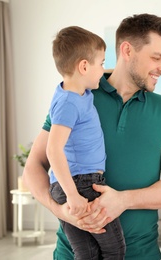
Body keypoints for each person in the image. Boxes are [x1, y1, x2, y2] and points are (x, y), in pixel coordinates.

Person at [22, 13, 161, 260]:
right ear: (127, 50)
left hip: (141, 254)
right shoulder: (78, 95)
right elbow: (34, 165)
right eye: (156, 58)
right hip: (72, 253)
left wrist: (123, 200)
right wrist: (60, 209)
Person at [46, 26, 125, 259]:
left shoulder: (77, 90)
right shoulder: (69, 104)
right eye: (101, 64)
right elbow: (53, 149)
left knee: (87, 253)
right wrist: (72, 195)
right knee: (114, 249)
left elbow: (98, 73)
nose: (103, 70)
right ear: (83, 67)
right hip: (80, 184)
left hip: (73, 184)